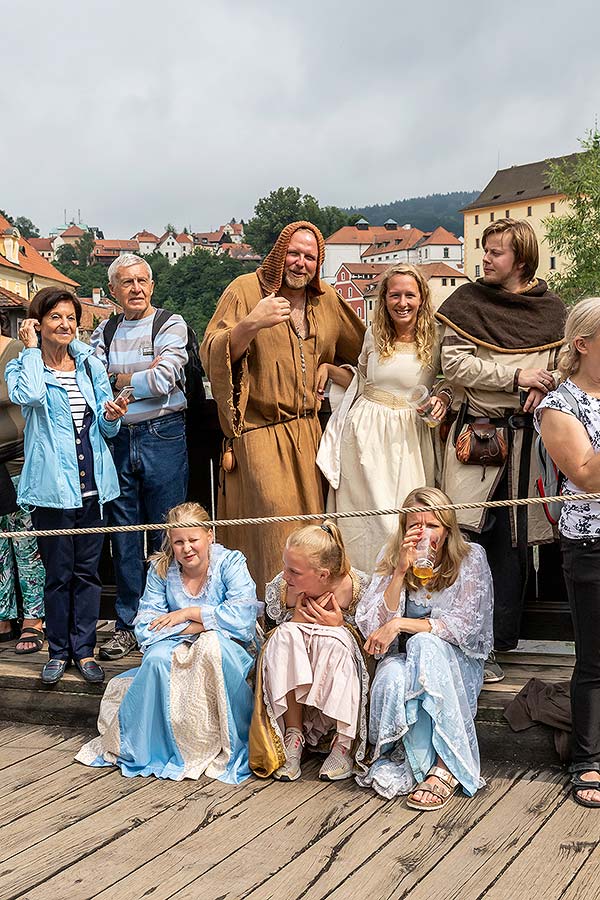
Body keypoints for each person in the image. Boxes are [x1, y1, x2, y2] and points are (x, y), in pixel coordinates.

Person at [201, 221, 365, 591]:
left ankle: (312, 621)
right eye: (294, 253)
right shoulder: (244, 290)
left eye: (310, 256)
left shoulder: (327, 301)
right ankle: (269, 622)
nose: (300, 263)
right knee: (276, 532)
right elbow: (211, 351)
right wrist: (250, 324)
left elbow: (369, 354)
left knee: (315, 535)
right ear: (279, 254)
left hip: (311, 436)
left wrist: (334, 370)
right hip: (261, 436)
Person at [436, 218, 566, 681]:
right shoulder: (467, 303)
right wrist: (515, 377)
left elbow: (563, 363)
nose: (485, 259)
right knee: (468, 542)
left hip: (530, 442)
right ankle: (465, 641)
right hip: (480, 439)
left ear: (521, 260)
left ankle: (499, 644)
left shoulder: (551, 310)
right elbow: (454, 366)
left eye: (496, 253)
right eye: (485, 250)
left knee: (514, 548)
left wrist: (546, 384)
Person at [76, 502, 259, 784]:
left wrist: (187, 614)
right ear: (170, 543)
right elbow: (147, 628)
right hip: (178, 642)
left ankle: (224, 741)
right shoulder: (162, 570)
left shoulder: (230, 562)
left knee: (210, 647)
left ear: (209, 535)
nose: (187, 548)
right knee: (157, 659)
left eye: (193, 540)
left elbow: (242, 618)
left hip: (228, 645)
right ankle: (163, 747)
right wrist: (195, 627)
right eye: (179, 542)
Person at [6, 288, 128, 684]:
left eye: (71, 318)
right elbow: (32, 396)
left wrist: (113, 416)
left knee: (88, 572)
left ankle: (85, 650)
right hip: (50, 489)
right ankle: (58, 650)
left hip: (91, 485)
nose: (65, 325)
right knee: (57, 573)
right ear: (38, 323)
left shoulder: (90, 365)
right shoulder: (23, 367)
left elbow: (107, 429)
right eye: (56, 317)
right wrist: (29, 351)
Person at [355, 487, 493, 809]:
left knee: (425, 643)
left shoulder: (470, 558)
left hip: (457, 661)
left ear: (446, 530)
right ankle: (412, 760)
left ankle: (447, 765)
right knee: (390, 673)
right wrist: (400, 573)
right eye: (414, 526)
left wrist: (401, 624)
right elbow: (372, 625)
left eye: (431, 526)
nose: (422, 534)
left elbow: (464, 627)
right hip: (409, 656)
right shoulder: (392, 559)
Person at [317, 264, 451, 572]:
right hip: (365, 436)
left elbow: (450, 382)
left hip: (410, 437)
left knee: (402, 521)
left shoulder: (436, 336)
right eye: (394, 295)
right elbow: (361, 384)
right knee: (363, 521)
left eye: (409, 295)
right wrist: (329, 369)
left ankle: (406, 590)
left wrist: (441, 398)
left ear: (421, 298)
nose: (402, 303)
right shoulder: (374, 334)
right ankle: (361, 593)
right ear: (384, 299)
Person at [91, 253, 189, 660]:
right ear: (113, 291)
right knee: (124, 535)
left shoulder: (171, 323)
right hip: (116, 437)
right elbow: (93, 380)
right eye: (126, 283)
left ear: (152, 285)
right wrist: (136, 377)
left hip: (162, 434)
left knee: (169, 531)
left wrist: (119, 378)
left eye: (142, 281)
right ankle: (129, 623)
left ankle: (169, 617)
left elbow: (168, 376)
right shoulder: (105, 328)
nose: (136, 289)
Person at [536, 297, 600, 808]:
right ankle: (588, 761)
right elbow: (584, 473)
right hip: (592, 543)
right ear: (582, 343)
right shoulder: (559, 407)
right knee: (596, 661)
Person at [249, 521, 370, 782]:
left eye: (293, 571)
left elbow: (375, 647)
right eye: (285, 566)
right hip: (300, 678)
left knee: (335, 640)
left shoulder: (357, 590)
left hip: (339, 674)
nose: (285, 576)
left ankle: (343, 742)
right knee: (286, 635)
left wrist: (342, 626)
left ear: (323, 575)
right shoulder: (282, 589)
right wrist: (293, 621)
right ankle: (293, 734)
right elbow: (269, 639)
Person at [0, 310, 45, 652]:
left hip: (18, 460)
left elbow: (28, 392)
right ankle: (3, 615)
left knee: (25, 542)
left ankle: (33, 618)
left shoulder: (15, 349)